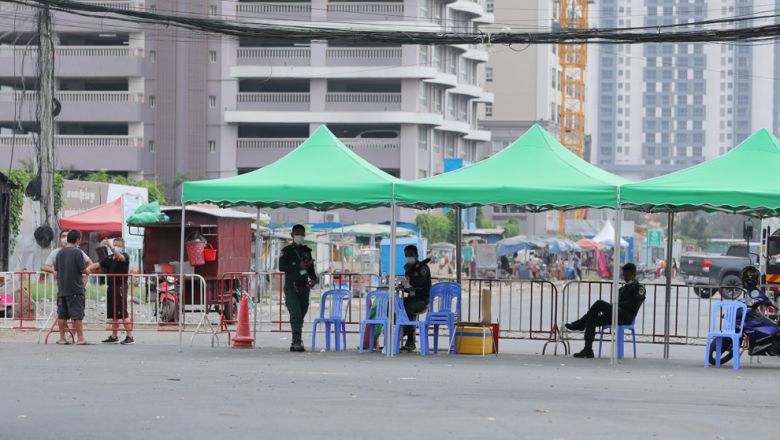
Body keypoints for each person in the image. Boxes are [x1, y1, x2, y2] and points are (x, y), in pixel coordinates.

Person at [565, 263, 646, 358]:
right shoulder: (622, 289)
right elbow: (616, 304)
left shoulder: (639, 288)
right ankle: (588, 349)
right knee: (591, 319)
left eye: (627, 275)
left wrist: (614, 306)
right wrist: (612, 307)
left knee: (599, 303)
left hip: (626, 316)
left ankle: (580, 324)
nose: (625, 277)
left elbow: (633, 303)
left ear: (634, 274)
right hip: (616, 313)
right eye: (624, 275)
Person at [278, 224, 318, 352]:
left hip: (304, 287)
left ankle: (297, 335)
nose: (300, 236)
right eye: (297, 234)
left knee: (302, 311)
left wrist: (314, 280)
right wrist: (298, 266)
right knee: (295, 313)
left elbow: (310, 269)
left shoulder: (307, 251)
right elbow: (282, 267)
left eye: (302, 234)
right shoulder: (287, 251)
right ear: (292, 235)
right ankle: (296, 340)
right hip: (291, 287)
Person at [89, 237, 134, 345]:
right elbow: (98, 265)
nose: (116, 248)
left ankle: (130, 336)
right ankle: (114, 337)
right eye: (115, 245)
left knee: (122, 312)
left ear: (123, 247)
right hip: (111, 287)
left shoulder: (124, 256)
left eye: (118, 246)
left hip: (120, 287)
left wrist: (111, 246)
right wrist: (85, 269)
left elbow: (121, 257)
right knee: (113, 313)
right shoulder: (109, 258)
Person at [53, 230, 92, 345]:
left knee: (62, 315)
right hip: (75, 288)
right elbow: (82, 269)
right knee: (77, 315)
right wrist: (88, 271)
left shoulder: (59, 253)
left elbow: (57, 270)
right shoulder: (77, 252)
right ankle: (80, 338)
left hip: (62, 288)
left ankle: (62, 338)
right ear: (77, 240)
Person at [400, 245, 431, 353]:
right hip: (412, 299)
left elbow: (418, 285)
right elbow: (408, 285)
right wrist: (407, 271)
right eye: (406, 255)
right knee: (398, 305)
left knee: (408, 308)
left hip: (422, 300)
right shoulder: (409, 268)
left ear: (416, 255)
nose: (408, 257)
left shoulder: (423, 268)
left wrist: (411, 271)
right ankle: (401, 332)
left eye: (410, 255)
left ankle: (410, 340)